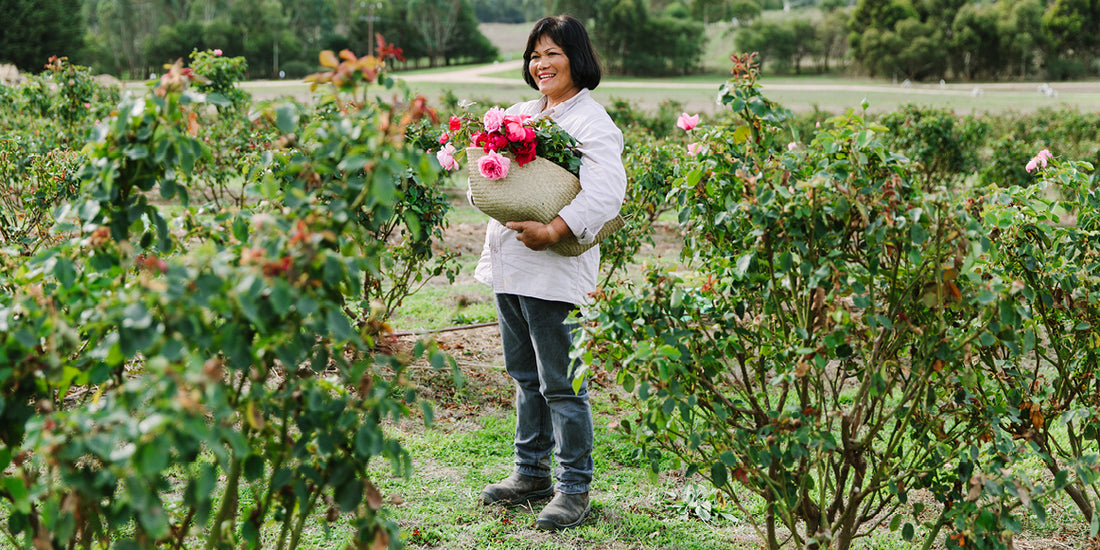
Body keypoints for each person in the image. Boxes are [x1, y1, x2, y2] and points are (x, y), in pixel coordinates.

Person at [472, 14, 627, 531]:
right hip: (511, 266)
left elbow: (606, 193)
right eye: (535, 54)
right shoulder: (519, 114)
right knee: (524, 377)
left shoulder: (591, 122)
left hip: (553, 270)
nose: (542, 64)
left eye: (553, 53)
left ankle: (573, 488)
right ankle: (530, 473)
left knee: (561, 383)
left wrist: (556, 227)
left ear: (576, 58)